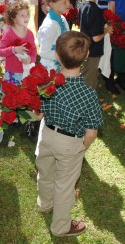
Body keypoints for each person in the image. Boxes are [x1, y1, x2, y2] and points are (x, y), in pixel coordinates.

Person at [36, 31, 103, 237]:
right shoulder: (88, 93)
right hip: (70, 142)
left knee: (45, 172)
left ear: (57, 55)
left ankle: (45, 204)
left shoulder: (48, 83)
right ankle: (60, 227)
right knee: (64, 186)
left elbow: (38, 113)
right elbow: (92, 131)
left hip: (46, 134)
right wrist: (83, 146)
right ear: (86, 56)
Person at [79, 0, 111, 89]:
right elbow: (96, 38)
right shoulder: (96, 10)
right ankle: (88, 101)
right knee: (90, 79)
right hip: (93, 51)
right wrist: (106, 30)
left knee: (86, 73)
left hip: (85, 48)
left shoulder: (83, 4)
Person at [0, 0, 36, 84]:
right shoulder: (8, 33)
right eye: (22, 15)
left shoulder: (29, 34)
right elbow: (1, 52)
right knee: (11, 94)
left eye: (27, 15)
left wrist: (31, 59)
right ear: (14, 18)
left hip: (26, 71)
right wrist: (14, 49)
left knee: (25, 94)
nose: (26, 18)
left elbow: (33, 50)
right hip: (12, 72)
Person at [38, 0, 71, 71]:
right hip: (50, 69)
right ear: (52, 4)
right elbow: (44, 52)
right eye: (64, 2)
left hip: (60, 64)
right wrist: (63, 56)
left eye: (68, 0)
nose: (68, 4)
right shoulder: (49, 26)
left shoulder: (62, 18)